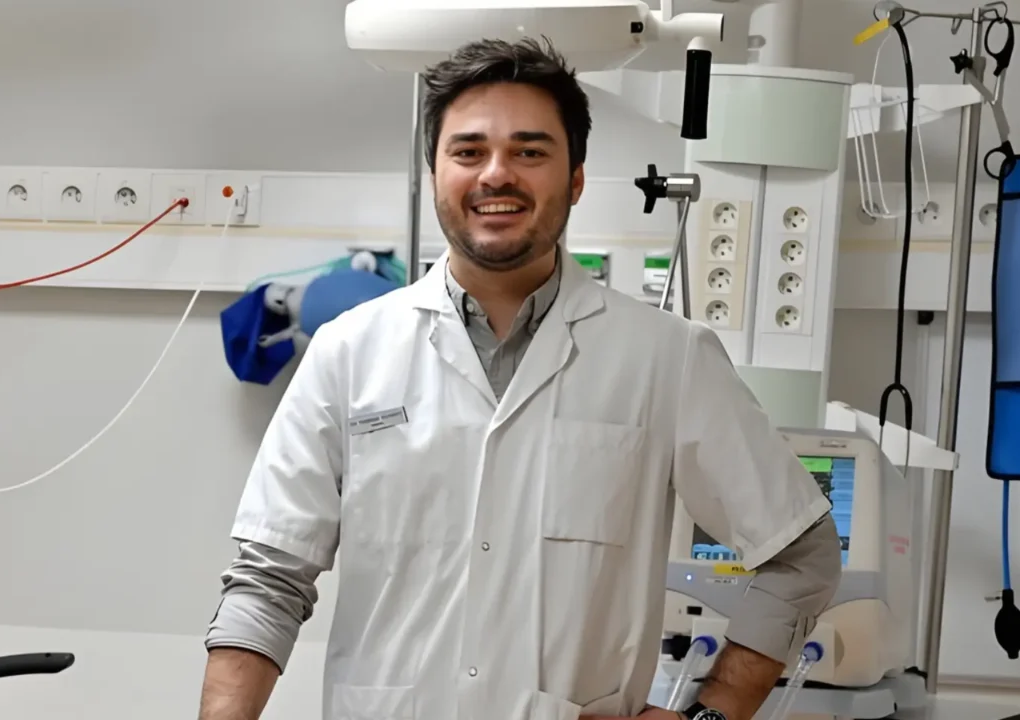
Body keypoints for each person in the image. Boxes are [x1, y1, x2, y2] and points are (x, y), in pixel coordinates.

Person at [197, 37, 843, 720]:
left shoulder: (667, 357)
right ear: (435, 170)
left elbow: (802, 555)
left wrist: (713, 714)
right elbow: (268, 581)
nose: (496, 174)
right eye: (469, 152)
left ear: (576, 180)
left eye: (530, 152)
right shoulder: (349, 352)